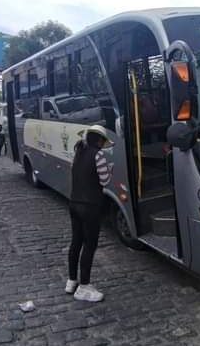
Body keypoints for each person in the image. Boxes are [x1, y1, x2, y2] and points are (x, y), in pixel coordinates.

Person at [65, 125, 114, 302]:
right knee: (89, 245)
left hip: (74, 203)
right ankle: (84, 286)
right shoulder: (98, 154)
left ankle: (71, 281)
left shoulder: (79, 152)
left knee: (76, 242)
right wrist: (110, 169)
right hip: (91, 206)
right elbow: (105, 180)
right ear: (99, 140)